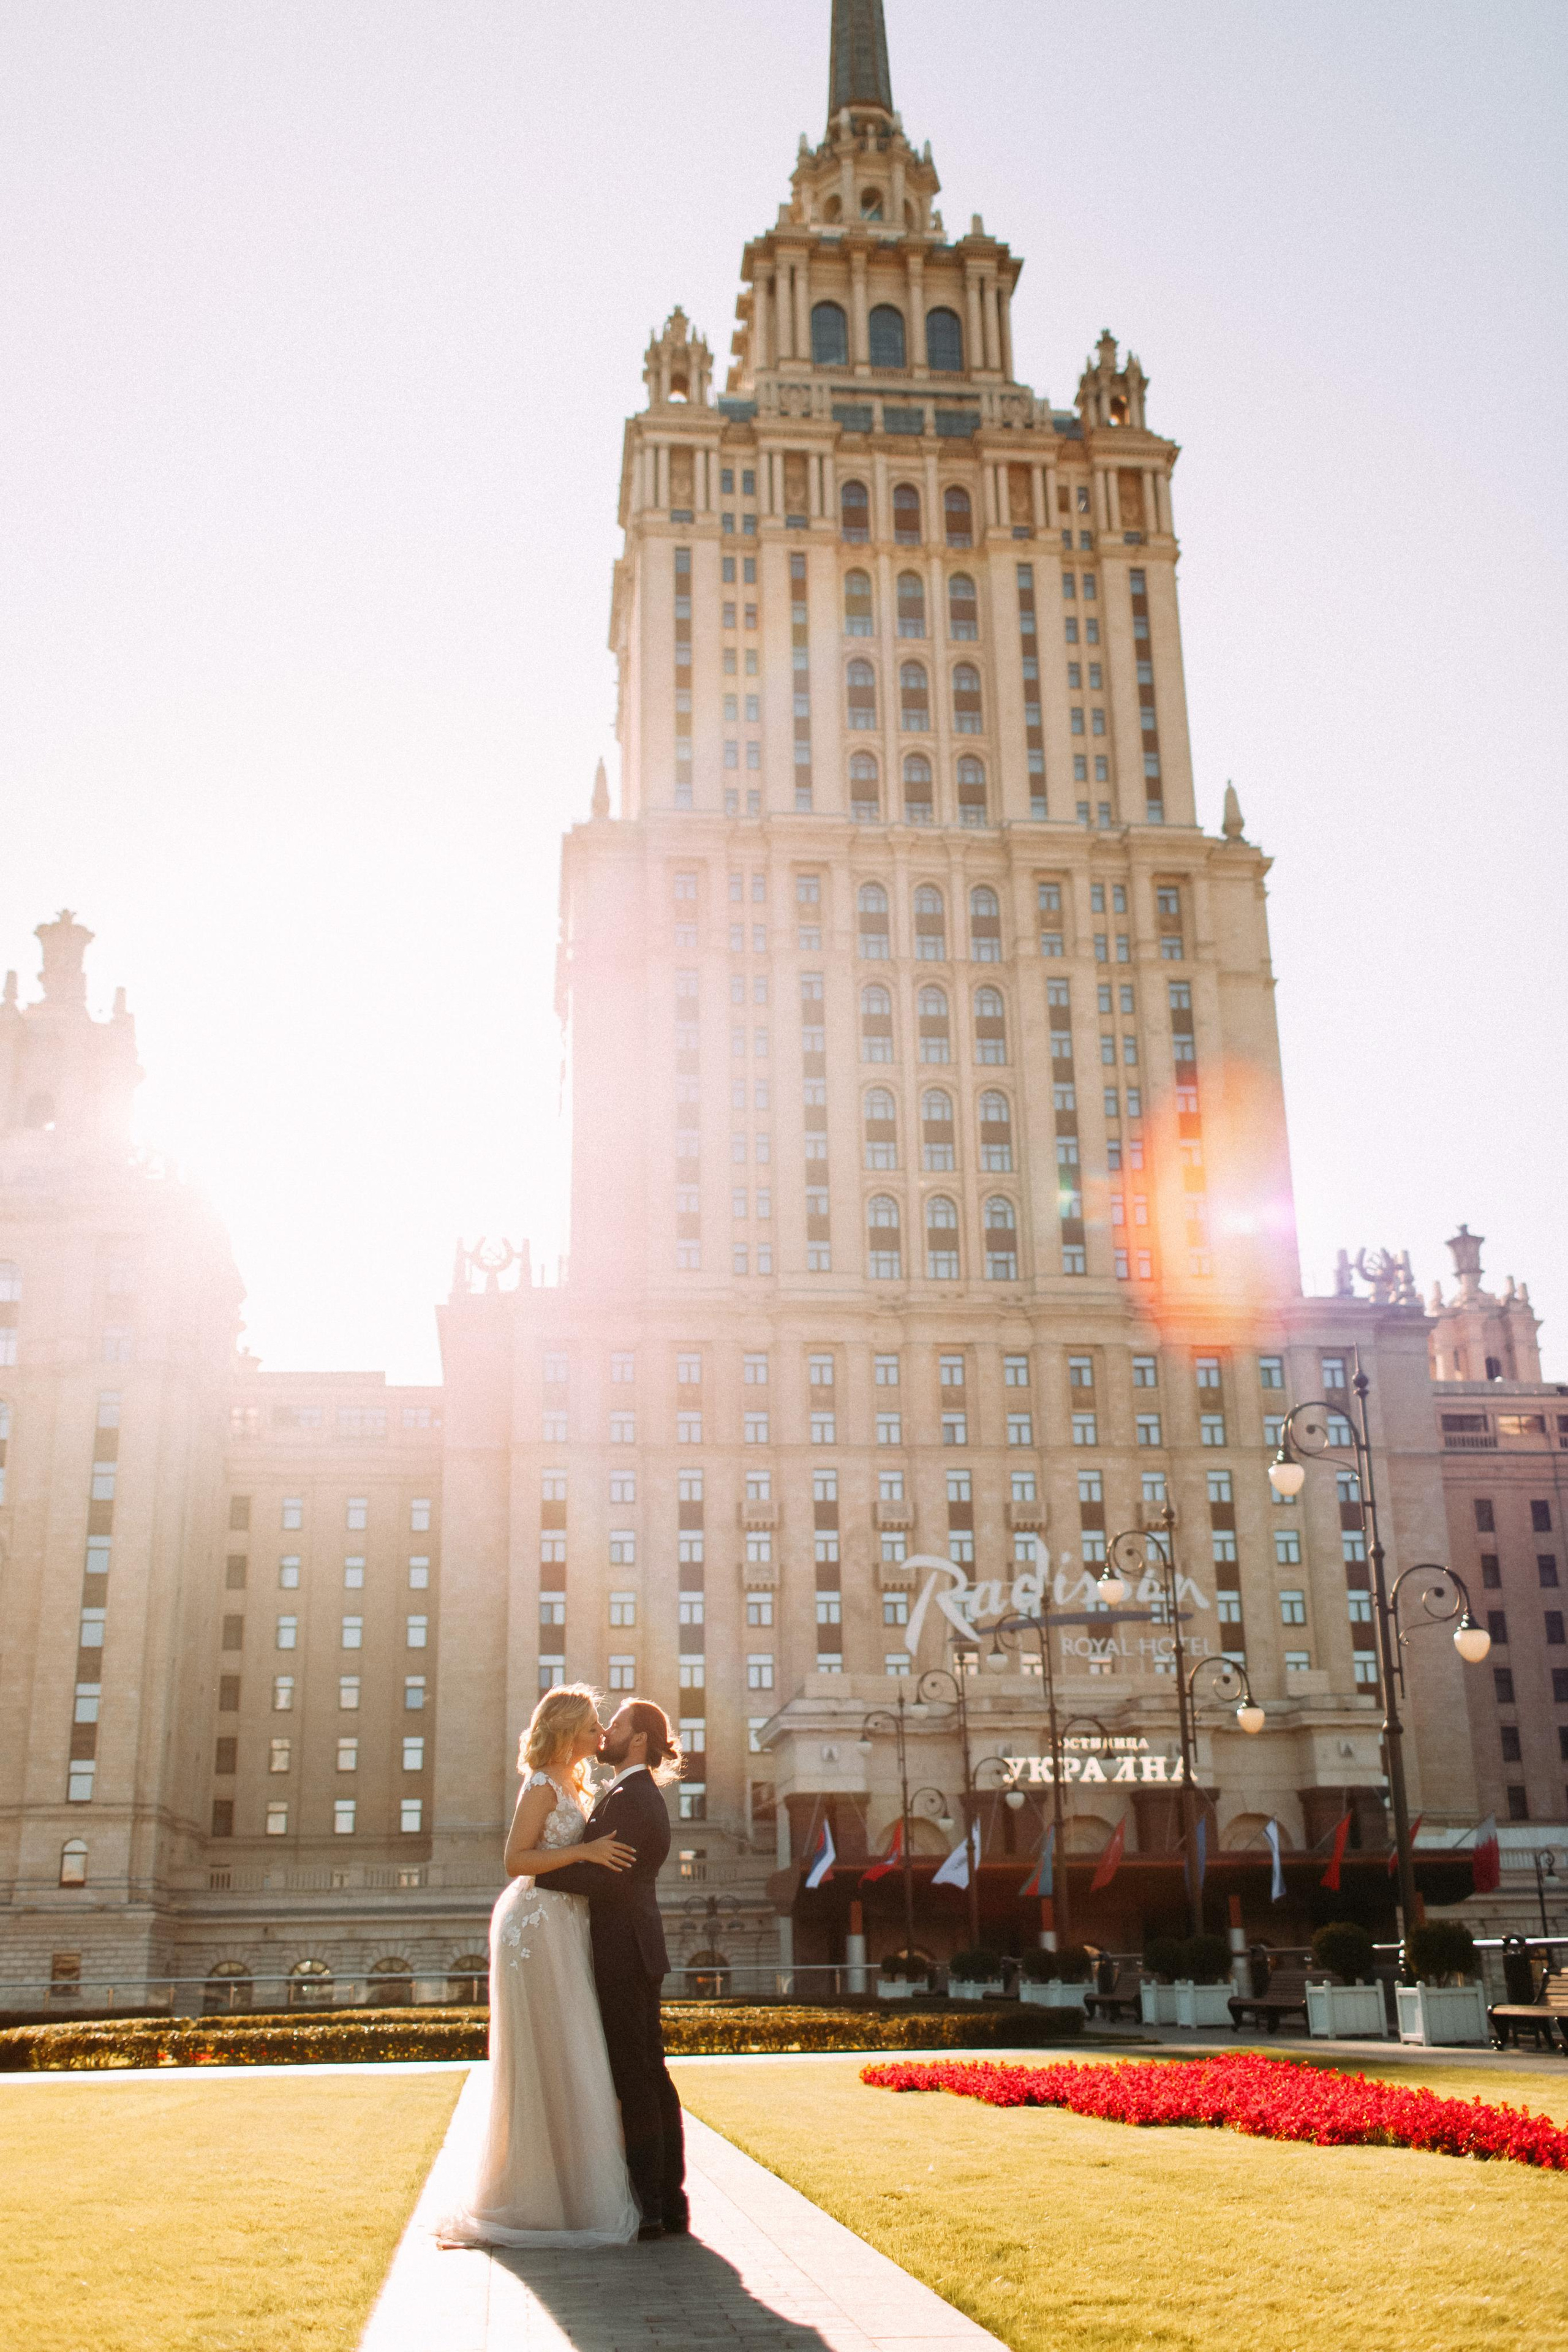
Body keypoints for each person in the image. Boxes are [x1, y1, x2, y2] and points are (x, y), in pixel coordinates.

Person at [438, 1684, 641, 2248]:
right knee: (544, 2051)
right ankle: (531, 2199)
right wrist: (584, 1851)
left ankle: (571, 2193)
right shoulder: (541, 1785)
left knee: (570, 2046)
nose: (601, 1734)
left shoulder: (576, 1783)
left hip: (566, 1922)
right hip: (533, 1925)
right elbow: (515, 1860)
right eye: (593, 1726)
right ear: (569, 1731)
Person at [543, 1697, 688, 2240]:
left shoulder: (633, 1797)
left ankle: (651, 2203)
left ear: (639, 1740)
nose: (605, 1732)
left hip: (625, 1950)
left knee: (636, 2076)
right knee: (649, 2072)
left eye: (617, 1725)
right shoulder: (629, 1792)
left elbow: (610, 1877)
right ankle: (668, 2201)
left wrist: (538, 1874)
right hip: (634, 1946)